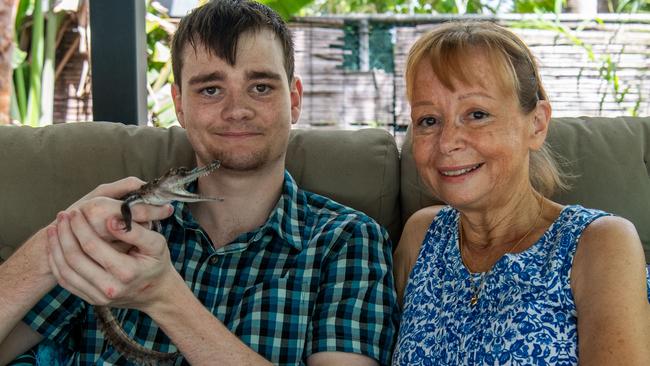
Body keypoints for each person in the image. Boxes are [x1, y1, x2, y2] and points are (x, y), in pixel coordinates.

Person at [0, 1, 398, 364]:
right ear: (179, 106)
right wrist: (57, 240)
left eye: (260, 87)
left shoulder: (348, 240)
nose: (237, 110)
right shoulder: (121, 228)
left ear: (293, 100)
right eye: (210, 89)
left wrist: (164, 297)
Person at [391, 20, 650, 365]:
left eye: (477, 114)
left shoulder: (599, 244)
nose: (448, 142)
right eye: (428, 120)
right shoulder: (421, 236)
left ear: (537, 123)